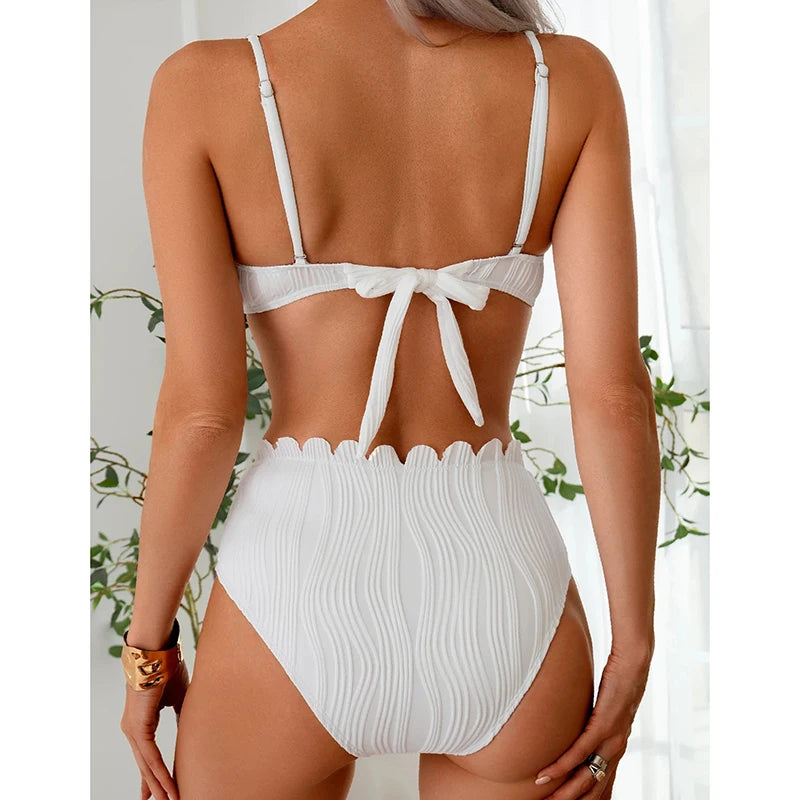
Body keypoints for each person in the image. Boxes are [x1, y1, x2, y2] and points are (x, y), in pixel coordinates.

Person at [118, 1, 661, 798]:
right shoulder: (568, 79)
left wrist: (147, 653)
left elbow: (204, 416)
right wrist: (634, 645)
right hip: (505, 590)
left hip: (292, 590)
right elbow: (614, 396)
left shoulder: (204, 86)